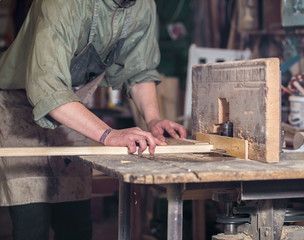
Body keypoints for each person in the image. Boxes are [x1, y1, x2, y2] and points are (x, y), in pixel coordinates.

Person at [0, 0, 187, 239]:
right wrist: (109, 134)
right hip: (19, 104)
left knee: (75, 222)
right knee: (32, 223)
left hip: (72, 107)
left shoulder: (142, 5)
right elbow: (47, 89)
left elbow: (139, 70)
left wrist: (153, 119)